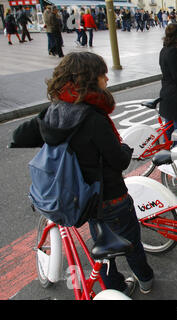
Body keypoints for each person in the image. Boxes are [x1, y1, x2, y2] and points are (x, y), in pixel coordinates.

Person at [9, 52, 155, 297]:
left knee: (102, 246)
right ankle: (146, 280)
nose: (107, 78)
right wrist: (126, 148)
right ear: (89, 80)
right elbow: (118, 160)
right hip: (112, 197)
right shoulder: (93, 117)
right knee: (130, 244)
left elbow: (20, 136)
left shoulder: (55, 111)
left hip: (83, 198)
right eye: (102, 74)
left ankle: (115, 287)